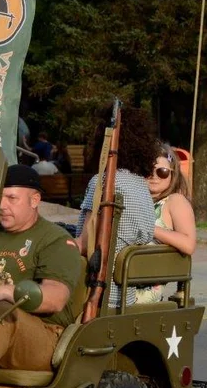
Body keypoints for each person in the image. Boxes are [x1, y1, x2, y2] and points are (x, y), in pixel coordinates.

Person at [0, 165, 83, 380]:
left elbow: (55, 298)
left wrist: (3, 291)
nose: (1, 205)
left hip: (44, 336)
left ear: (34, 200)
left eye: (11, 198)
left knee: (2, 311)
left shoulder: (55, 240)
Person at [74, 106, 158, 308]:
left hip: (93, 292)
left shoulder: (103, 183)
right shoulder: (142, 187)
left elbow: (84, 244)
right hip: (124, 295)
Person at [134, 143, 197, 303]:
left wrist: (149, 228)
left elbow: (188, 244)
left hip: (143, 283)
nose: (154, 176)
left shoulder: (175, 201)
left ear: (172, 175)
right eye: (148, 170)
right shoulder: (136, 199)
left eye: (162, 172)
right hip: (126, 272)